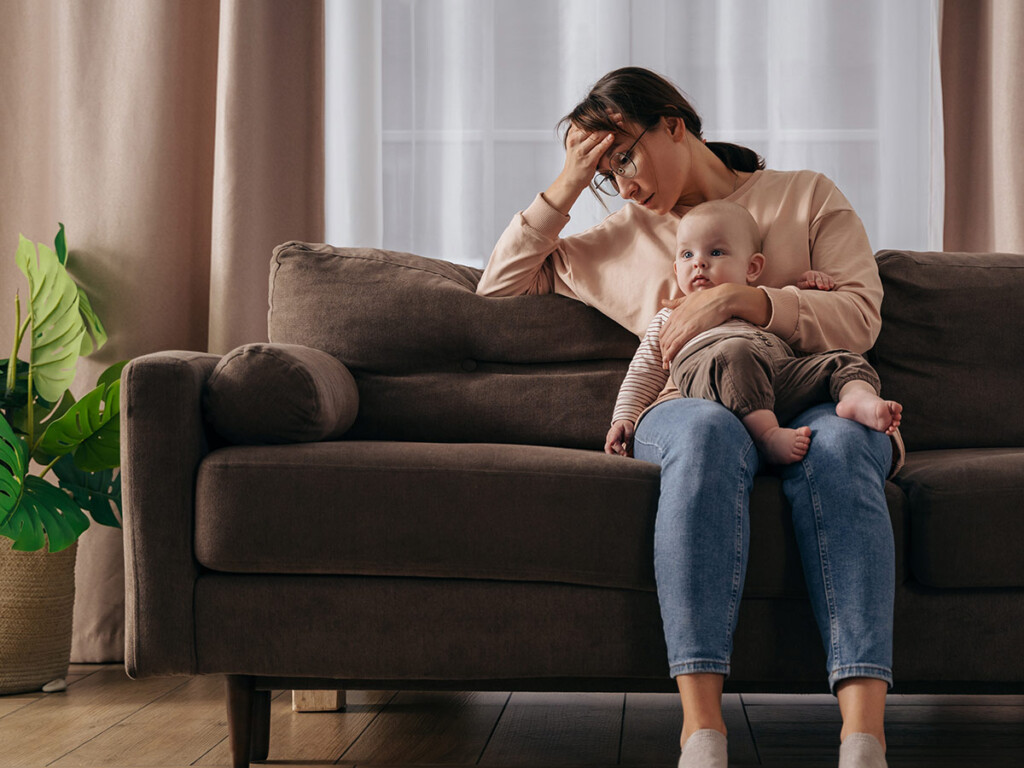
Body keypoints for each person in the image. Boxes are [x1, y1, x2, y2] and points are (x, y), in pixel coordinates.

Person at [478, 67, 900, 768]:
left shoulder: (805, 195)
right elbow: (497, 288)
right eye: (606, 171)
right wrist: (567, 186)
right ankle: (702, 732)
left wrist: (744, 303)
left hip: (813, 392)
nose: (624, 181)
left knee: (844, 443)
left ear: (674, 123)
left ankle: (863, 739)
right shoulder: (617, 239)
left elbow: (859, 314)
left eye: (625, 156)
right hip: (690, 403)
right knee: (706, 432)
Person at [606, 199, 902, 466]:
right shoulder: (671, 315)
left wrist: (811, 288)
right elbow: (643, 371)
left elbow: (804, 334)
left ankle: (855, 398)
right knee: (735, 352)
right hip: (713, 380)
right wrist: (624, 417)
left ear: (752, 267)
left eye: (716, 252)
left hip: (774, 379)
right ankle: (767, 435)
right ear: (675, 269)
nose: (698, 262)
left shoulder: (766, 300)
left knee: (843, 360)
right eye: (686, 255)